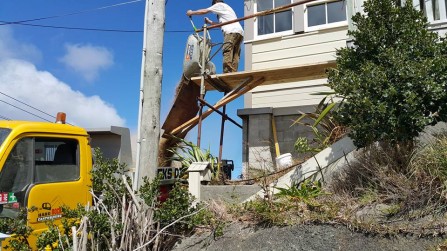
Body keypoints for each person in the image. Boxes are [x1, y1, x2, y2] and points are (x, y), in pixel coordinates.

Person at [187, 0, 244, 73]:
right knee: (235, 55)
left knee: (227, 51)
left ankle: (227, 72)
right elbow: (221, 25)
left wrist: (192, 12)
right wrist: (209, 22)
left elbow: (204, 11)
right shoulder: (227, 10)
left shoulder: (219, 5)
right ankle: (233, 72)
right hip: (239, 33)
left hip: (231, 32)